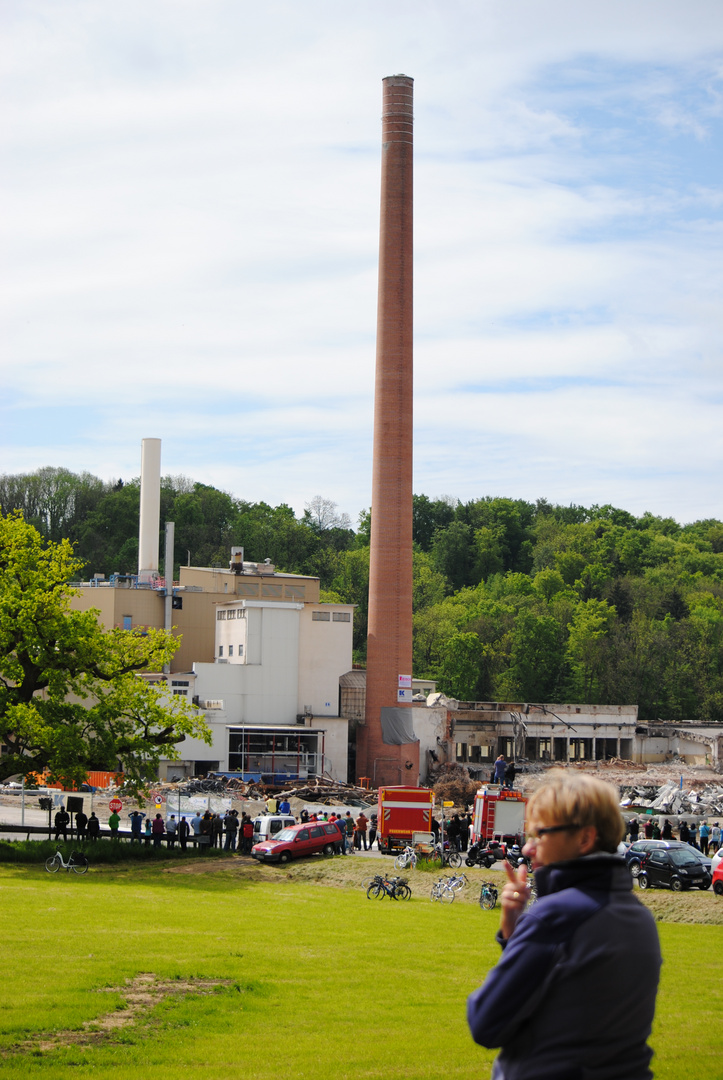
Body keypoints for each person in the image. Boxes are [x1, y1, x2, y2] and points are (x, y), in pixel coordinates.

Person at [467, 771, 661, 1080]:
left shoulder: (553, 917)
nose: (529, 849)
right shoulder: (639, 917)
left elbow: (486, 1022)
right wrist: (512, 931)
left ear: (584, 837)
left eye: (541, 834)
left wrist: (524, 929)